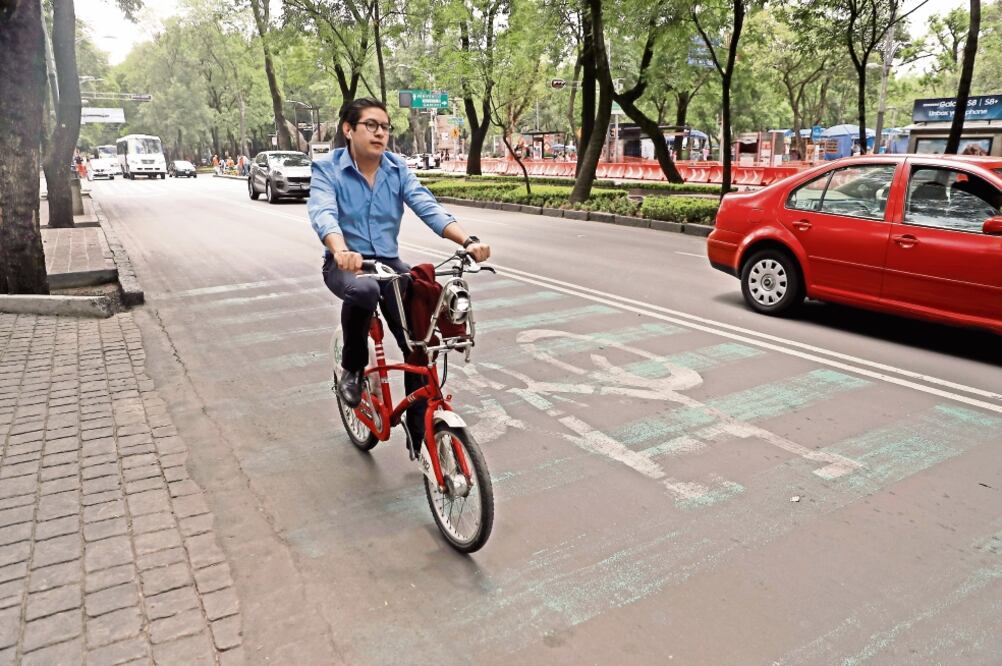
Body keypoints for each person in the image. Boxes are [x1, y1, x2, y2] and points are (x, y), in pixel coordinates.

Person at [308, 97, 490, 453]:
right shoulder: (327, 168)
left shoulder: (396, 169)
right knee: (363, 292)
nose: (380, 133)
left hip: (389, 263)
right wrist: (340, 248)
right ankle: (353, 370)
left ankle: (419, 429)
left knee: (419, 338)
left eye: (385, 127)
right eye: (371, 125)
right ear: (349, 129)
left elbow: (427, 206)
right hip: (347, 264)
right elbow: (323, 212)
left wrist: (468, 240)